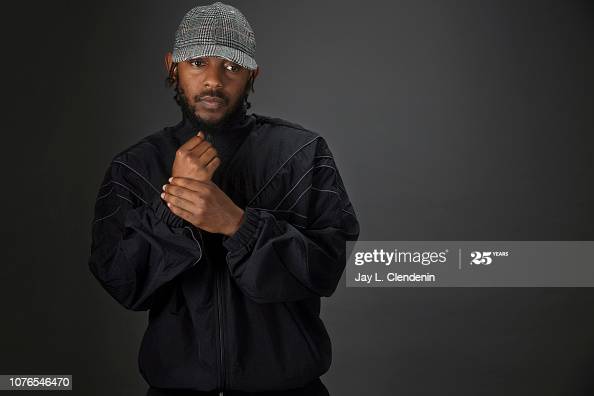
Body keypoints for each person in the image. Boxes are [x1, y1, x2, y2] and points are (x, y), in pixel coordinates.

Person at [88, 2, 360, 395]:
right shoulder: (134, 167)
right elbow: (122, 283)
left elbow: (325, 268)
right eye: (197, 62)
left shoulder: (301, 154)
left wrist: (237, 224)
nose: (214, 80)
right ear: (172, 67)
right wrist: (174, 208)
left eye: (231, 66)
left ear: (252, 74)